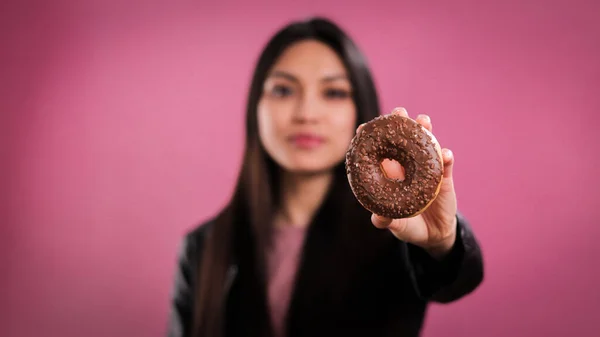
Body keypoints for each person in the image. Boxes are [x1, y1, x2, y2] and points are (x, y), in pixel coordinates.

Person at [167, 17, 484, 337]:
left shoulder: (396, 235)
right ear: (255, 107)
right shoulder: (203, 248)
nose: (306, 112)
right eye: (283, 89)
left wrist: (444, 242)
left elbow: (456, 279)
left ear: (360, 108)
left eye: (333, 92)